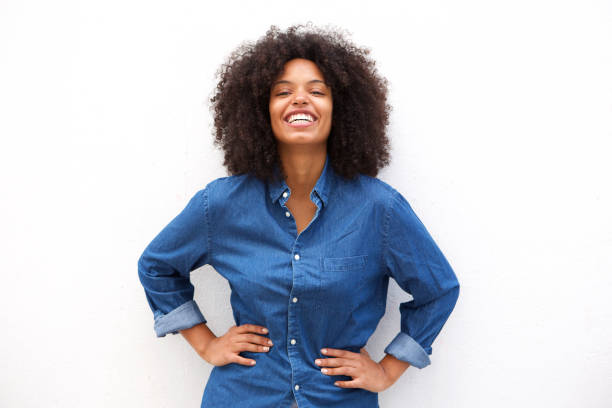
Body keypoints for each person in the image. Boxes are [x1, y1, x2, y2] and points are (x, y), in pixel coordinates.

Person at [137, 23, 460, 408]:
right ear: (261, 111)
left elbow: (438, 289)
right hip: (240, 396)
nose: (300, 100)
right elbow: (157, 267)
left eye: (317, 91)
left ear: (341, 108)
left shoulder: (379, 209)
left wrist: (389, 370)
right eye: (283, 91)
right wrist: (206, 344)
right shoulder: (221, 204)